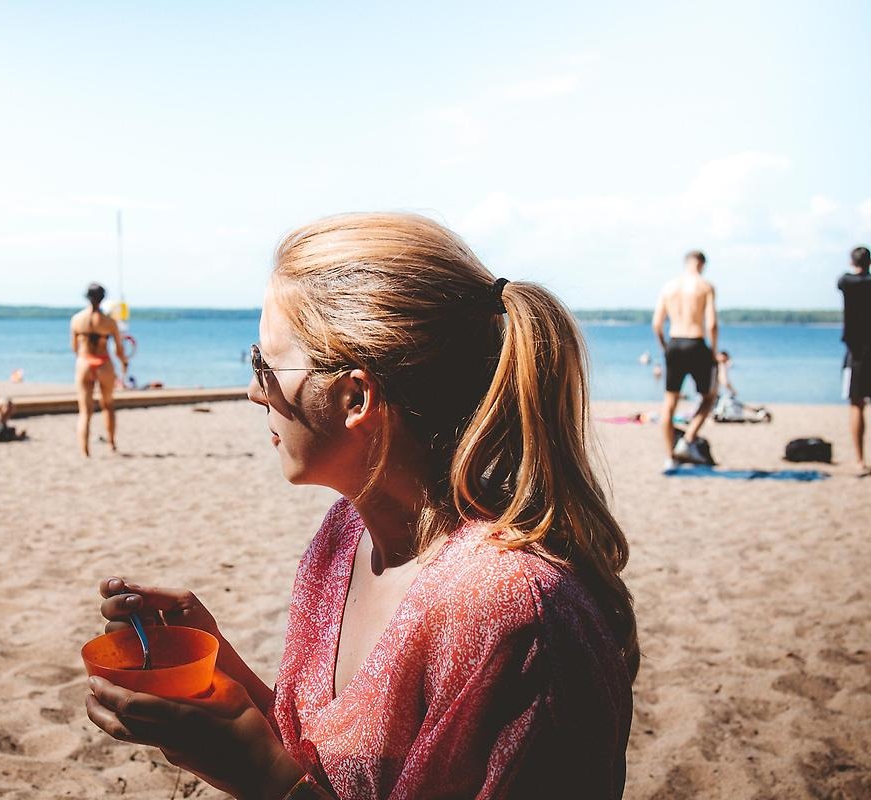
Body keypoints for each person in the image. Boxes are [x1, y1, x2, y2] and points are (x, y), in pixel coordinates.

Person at [85, 213, 637, 799]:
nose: (253, 390)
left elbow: (294, 782)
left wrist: (262, 780)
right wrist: (226, 686)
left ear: (354, 397)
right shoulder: (345, 534)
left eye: (265, 364)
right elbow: (335, 773)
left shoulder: (516, 611)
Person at [652, 250, 718, 471]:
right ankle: (688, 439)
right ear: (702, 264)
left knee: (669, 405)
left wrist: (665, 348)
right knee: (709, 397)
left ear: (686, 263)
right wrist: (714, 352)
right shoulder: (705, 286)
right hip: (696, 342)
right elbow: (711, 325)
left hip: (674, 343)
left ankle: (670, 458)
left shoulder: (669, 287)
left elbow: (657, 325)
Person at [71, 283, 128, 456]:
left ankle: (85, 449)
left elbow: (74, 347)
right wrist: (124, 362)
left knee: (85, 411)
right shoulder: (109, 322)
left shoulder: (76, 319)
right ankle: (111, 443)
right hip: (104, 363)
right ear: (102, 298)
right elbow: (119, 349)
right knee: (108, 405)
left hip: (84, 362)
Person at [839, 245, 871, 475]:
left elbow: (844, 279)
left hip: (856, 351)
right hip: (863, 348)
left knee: (856, 404)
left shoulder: (847, 283)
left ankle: (860, 460)